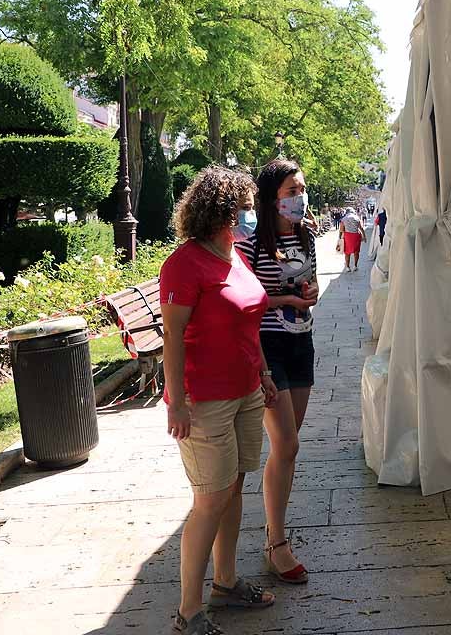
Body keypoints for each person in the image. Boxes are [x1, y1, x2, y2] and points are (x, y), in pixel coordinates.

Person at [160, 166, 279, 635]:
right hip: (203, 399)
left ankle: (225, 583)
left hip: (246, 390)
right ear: (219, 212)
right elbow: (172, 336)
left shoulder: (235, 255)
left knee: (233, 488)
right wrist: (177, 402)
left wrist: (265, 374)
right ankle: (188, 612)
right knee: (209, 498)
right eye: (243, 208)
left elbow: (248, 322)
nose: (251, 215)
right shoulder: (185, 264)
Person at [238, 159, 318, 586]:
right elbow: (245, 304)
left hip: (301, 344)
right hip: (267, 349)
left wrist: (308, 293)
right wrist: (284, 301)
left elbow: (313, 286)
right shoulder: (251, 245)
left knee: (288, 447)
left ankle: (275, 532)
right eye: (291, 191)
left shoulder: (306, 238)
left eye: (301, 189)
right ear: (272, 198)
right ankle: (275, 542)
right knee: (285, 443)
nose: (299, 198)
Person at [338, 207, 366, 273]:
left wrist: (339, 238)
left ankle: (347, 267)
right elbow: (361, 228)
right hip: (356, 236)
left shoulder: (344, 219)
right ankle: (355, 266)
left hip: (348, 237)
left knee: (347, 253)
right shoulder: (357, 218)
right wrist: (364, 236)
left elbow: (341, 230)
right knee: (356, 252)